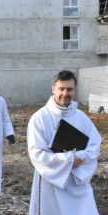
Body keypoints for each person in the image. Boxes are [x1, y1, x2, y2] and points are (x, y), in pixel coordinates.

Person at [27, 70, 102, 215]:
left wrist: (79, 157)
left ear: (74, 91)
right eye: (61, 89)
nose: (65, 93)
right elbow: (36, 153)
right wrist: (67, 160)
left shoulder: (81, 117)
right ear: (53, 88)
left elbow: (95, 146)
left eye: (69, 89)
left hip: (77, 181)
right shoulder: (39, 118)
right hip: (52, 182)